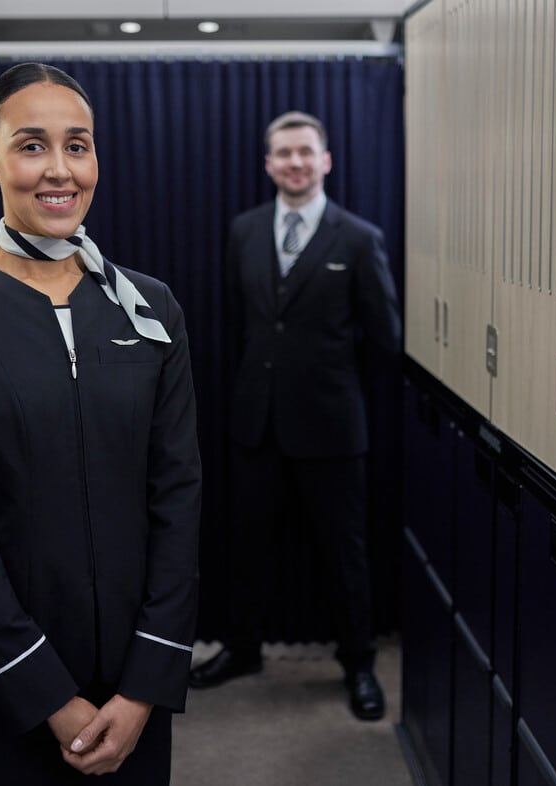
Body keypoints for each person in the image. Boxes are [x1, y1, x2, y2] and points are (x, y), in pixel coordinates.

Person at [0, 63, 201, 784]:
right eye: (31, 146)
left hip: (134, 676)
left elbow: (179, 497)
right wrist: (49, 697)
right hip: (3, 684)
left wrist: (143, 686)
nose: (60, 170)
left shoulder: (151, 306)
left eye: (78, 145)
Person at [188, 111, 401, 721]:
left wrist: (328, 384)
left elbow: (386, 341)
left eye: (306, 152)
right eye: (284, 153)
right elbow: (241, 324)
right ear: (268, 164)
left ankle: (359, 664)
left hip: (333, 430)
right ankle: (244, 649)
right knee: (246, 546)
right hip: (255, 423)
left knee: (345, 555)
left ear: (326, 160)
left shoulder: (359, 238)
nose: (296, 163)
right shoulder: (244, 231)